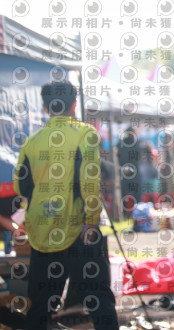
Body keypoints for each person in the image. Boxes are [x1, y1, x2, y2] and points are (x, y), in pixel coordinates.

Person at [13, 80, 118, 329]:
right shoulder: (85, 134)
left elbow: (21, 187)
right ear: (74, 104)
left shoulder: (31, 141)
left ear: (45, 108)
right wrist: (91, 222)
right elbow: (89, 182)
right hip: (78, 230)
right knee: (98, 297)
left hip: (42, 231)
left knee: (40, 305)